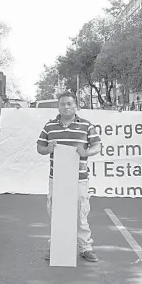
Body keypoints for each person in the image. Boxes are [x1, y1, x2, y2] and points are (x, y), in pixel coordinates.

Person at [37, 92, 101, 263]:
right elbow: (39, 147)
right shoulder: (49, 126)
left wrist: (86, 152)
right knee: (56, 213)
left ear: (76, 105)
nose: (66, 107)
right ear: (58, 106)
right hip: (56, 178)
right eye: (63, 104)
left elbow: (97, 145)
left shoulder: (86, 126)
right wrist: (47, 149)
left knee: (81, 214)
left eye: (69, 104)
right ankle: (56, 245)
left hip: (79, 178)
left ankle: (85, 247)